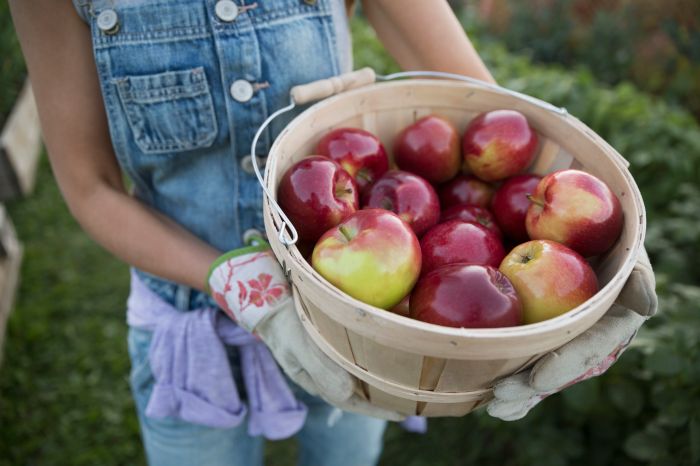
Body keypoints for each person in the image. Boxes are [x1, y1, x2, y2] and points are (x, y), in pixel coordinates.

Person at [8, 0, 657, 464]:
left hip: (360, 325)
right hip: (190, 324)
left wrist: (594, 242)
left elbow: (483, 110)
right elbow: (89, 186)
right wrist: (234, 279)